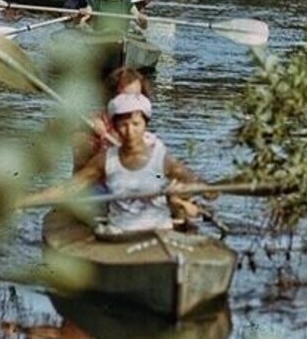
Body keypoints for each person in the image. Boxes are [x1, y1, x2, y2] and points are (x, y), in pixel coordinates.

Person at [67, 93, 211, 235]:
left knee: (174, 197)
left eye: (136, 124)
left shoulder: (160, 155)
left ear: (144, 125)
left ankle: (178, 211)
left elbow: (199, 185)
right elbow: (72, 185)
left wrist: (207, 190)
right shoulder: (105, 159)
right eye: (124, 125)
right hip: (120, 229)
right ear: (116, 127)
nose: (130, 132)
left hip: (158, 226)